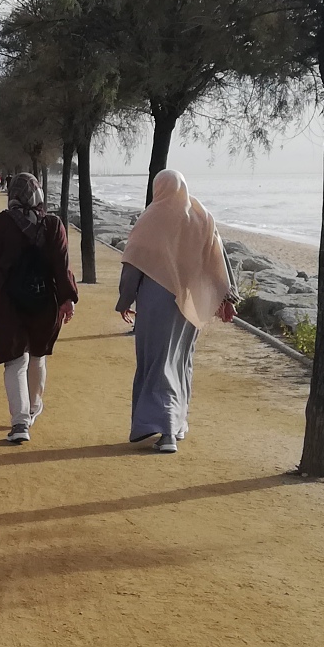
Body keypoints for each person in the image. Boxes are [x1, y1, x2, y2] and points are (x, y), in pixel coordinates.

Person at [114, 168, 237, 453]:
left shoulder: (152, 217)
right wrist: (225, 297)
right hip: (191, 300)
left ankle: (166, 431)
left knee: (159, 361)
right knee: (180, 360)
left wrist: (124, 301)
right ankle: (179, 423)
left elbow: (133, 262)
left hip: (157, 300)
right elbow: (217, 258)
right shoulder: (202, 215)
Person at [0, 172, 78, 444]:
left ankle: (20, 423)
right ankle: (33, 408)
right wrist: (67, 299)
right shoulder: (54, 225)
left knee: (15, 360)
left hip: (6, 303)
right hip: (45, 303)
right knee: (37, 355)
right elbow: (62, 266)